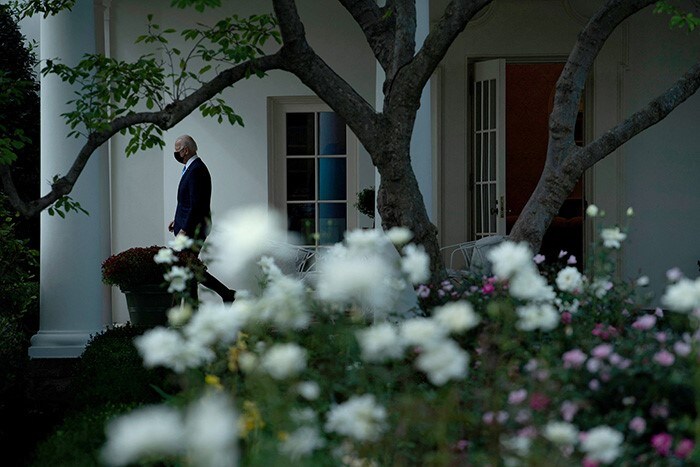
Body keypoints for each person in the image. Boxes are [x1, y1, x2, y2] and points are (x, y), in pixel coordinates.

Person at [169, 135, 236, 303]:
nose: (175, 153)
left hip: (194, 228)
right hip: (189, 225)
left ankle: (225, 294)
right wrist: (176, 220)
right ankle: (217, 298)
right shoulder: (191, 168)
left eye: (177, 149)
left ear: (185, 150)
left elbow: (197, 205)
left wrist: (185, 229)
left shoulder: (197, 169)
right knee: (189, 267)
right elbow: (186, 201)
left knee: (188, 266)